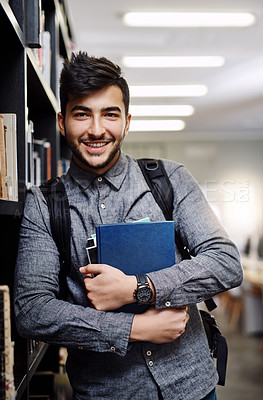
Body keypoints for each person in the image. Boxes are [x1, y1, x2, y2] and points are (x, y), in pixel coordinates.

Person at [14, 52, 243, 400]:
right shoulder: (43, 204)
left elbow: (225, 263)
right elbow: (32, 310)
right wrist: (133, 327)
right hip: (106, 392)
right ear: (62, 122)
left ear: (127, 121)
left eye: (110, 114)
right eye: (81, 114)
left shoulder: (170, 179)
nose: (96, 129)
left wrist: (139, 288)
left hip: (193, 387)